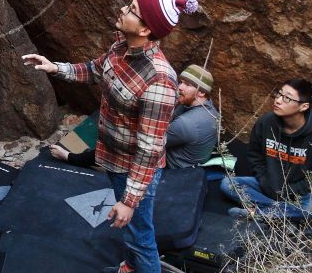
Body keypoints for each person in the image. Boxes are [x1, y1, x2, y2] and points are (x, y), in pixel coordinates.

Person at [23, 0, 197, 273]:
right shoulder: (121, 46)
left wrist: (130, 201)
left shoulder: (160, 81)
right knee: (134, 234)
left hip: (134, 172)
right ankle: (132, 265)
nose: (122, 9)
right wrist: (54, 67)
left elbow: (149, 150)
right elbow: (93, 70)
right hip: (112, 158)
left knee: (141, 237)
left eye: (131, 10)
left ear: (147, 30)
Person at [50, 64, 219, 170]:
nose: (179, 87)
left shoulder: (187, 124)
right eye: (181, 81)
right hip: (186, 152)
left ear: (202, 92)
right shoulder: (207, 108)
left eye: (187, 85)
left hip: (173, 165)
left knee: (122, 144)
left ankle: (72, 157)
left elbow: (144, 144)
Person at [221, 78, 312, 219]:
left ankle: (257, 213)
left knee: (310, 208)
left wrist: (290, 191)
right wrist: (265, 181)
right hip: (268, 186)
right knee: (228, 184)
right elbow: (255, 155)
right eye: (279, 94)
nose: (278, 100)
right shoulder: (266, 122)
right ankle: (282, 214)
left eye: (287, 98)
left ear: (304, 106)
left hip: (299, 194)